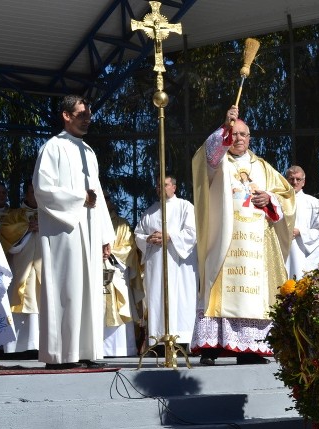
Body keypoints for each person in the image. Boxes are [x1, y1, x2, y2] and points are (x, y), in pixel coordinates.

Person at [191, 106, 295, 366]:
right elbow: (207, 156)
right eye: (234, 134)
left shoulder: (262, 167)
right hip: (224, 238)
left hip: (255, 244)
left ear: (250, 138)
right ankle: (212, 347)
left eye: (243, 135)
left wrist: (268, 198)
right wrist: (223, 127)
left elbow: (287, 197)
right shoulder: (218, 162)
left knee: (252, 294)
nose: (238, 139)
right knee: (219, 289)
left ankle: (249, 349)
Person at [32, 95, 115, 369]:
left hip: (90, 229)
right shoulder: (52, 148)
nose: (87, 118)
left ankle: (86, 351)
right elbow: (43, 189)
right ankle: (60, 355)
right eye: (82, 114)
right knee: (66, 288)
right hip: (64, 231)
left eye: (89, 114)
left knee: (88, 289)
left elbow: (99, 194)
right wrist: (79, 197)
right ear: (66, 115)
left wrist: (105, 235)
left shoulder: (88, 152)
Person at [135, 175, 199, 349]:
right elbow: (138, 234)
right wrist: (148, 239)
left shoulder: (185, 207)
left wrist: (170, 236)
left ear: (174, 188)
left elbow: (192, 232)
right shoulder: (150, 211)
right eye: (157, 186)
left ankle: (182, 340)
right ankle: (159, 341)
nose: (160, 188)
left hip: (179, 264)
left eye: (164, 185)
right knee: (157, 297)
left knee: (180, 299)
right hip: (156, 264)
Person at [0, 180, 40, 355]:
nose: (35, 195)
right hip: (21, 265)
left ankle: (40, 345)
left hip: (45, 267)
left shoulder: (50, 214)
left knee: (41, 302)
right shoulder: (15, 214)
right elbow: (6, 232)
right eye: (32, 192)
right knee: (20, 300)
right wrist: (27, 228)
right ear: (26, 194)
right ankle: (17, 346)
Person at [103, 195, 142, 356]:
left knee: (118, 305)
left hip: (114, 268)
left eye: (106, 199)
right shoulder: (88, 221)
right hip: (93, 269)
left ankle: (120, 348)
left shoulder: (122, 224)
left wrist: (109, 254)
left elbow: (129, 248)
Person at [284, 165, 319, 279]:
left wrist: (300, 232)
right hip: (283, 249)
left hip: (303, 250)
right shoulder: (278, 200)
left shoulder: (313, 202)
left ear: (303, 182)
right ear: (286, 180)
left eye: (298, 179)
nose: (294, 182)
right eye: (291, 179)